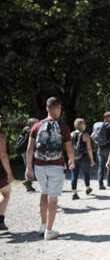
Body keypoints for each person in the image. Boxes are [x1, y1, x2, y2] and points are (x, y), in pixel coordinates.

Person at [26, 97, 75, 240]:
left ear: (46, 108)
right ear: (58, 109)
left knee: (43, 193)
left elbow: (30, 149)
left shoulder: (36, 126)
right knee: (53, 199)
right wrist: (71, 161)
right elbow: (69, 149)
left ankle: (42, 225)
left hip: (39, 165)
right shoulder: (63, 127)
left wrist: (28, 168)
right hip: (56, 165)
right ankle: (49, 230)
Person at [71, 118, 96, 200]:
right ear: (82, 125)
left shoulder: (71, 134)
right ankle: (87, 188)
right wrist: (92, 159)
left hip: (74, 157)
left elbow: (69, 148)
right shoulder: (85, 135)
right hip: (84, 156)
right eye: (84, 123)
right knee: (86, 173)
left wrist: (70, 159)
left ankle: (74, 193)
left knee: (74, 175)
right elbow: (89, 148)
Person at [92, 111, 110, 190]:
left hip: (100, 147)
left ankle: (100, 184)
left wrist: (98, 142)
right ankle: (109, 182)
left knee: (101, 166)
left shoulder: (98, 126)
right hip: (109, 148)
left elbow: (92, 136)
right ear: (106, 118)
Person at [16, 118, 39, 192]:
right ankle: (28, 182)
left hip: (24, 152)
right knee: (30, 167)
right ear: (32, 124)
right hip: (28, 151)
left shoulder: (25, 130)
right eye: (36, 123)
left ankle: (28, 184)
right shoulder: (31, 131)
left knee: (28, 167)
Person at [0, 114, 14, 231]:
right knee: (6, 194)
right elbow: (3, 155)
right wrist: (9, 173)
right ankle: (0, 220)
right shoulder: (0, 137)